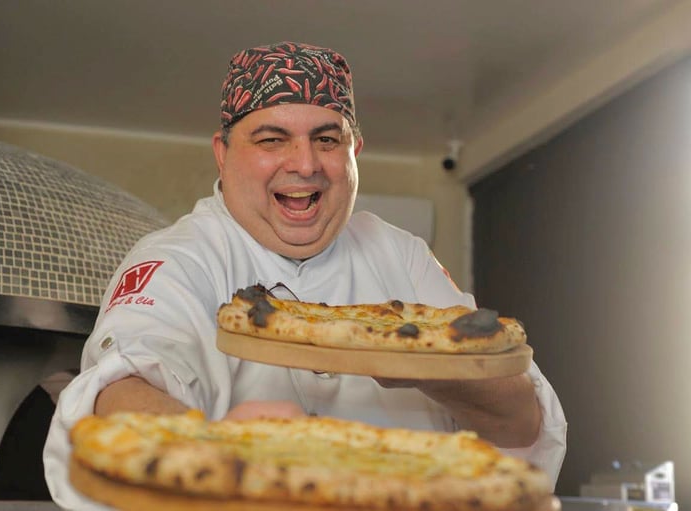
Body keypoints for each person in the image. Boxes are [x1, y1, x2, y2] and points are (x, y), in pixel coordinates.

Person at [43, 41, 567, 509]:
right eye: (272, 140)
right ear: (223, 154)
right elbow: (119, 388)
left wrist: (417, 361)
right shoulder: (179, 258)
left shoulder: (401, 254)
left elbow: (523, 424)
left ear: (354, 153)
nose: (305, 164)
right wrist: (213, 449)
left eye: (327, 140)